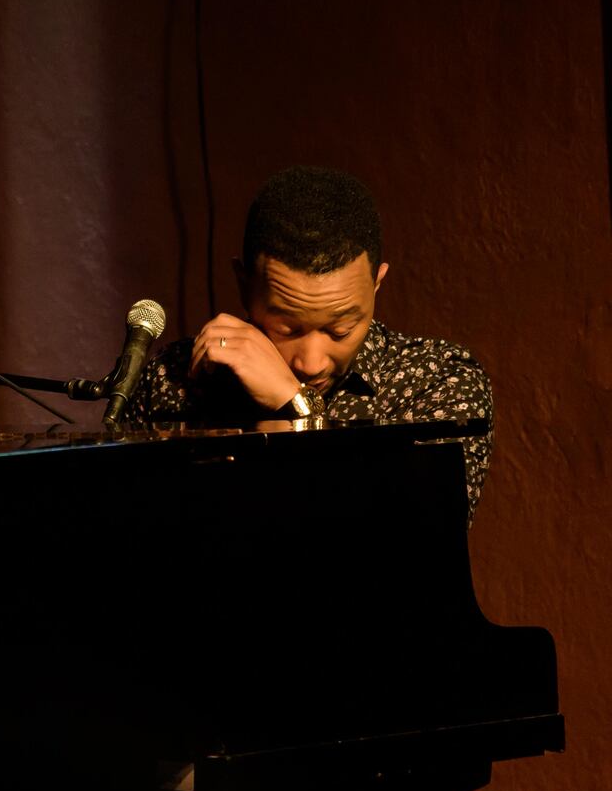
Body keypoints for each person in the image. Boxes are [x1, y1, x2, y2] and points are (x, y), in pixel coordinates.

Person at [121, 166, 493, 525]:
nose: (311, 363)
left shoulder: (437, 381)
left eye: (340, 330)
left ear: (377, 284)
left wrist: (294, 404)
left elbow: (414, 551)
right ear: (244, 286)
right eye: (287, 327)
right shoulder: (173, 381)